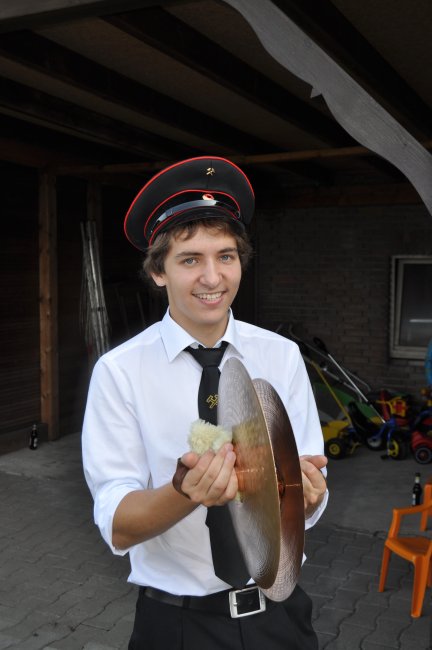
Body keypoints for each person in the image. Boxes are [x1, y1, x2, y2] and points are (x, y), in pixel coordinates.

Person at [82, 156, 328, 650]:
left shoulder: (281, 356)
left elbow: (308, 493)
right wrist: (185, 493)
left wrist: (310, 495)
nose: (213, 277)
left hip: (280, 616)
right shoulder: (119, 371)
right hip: (176, 624)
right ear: (159, 271)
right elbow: (118, 525)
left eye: (226, 256)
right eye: (190, 259)